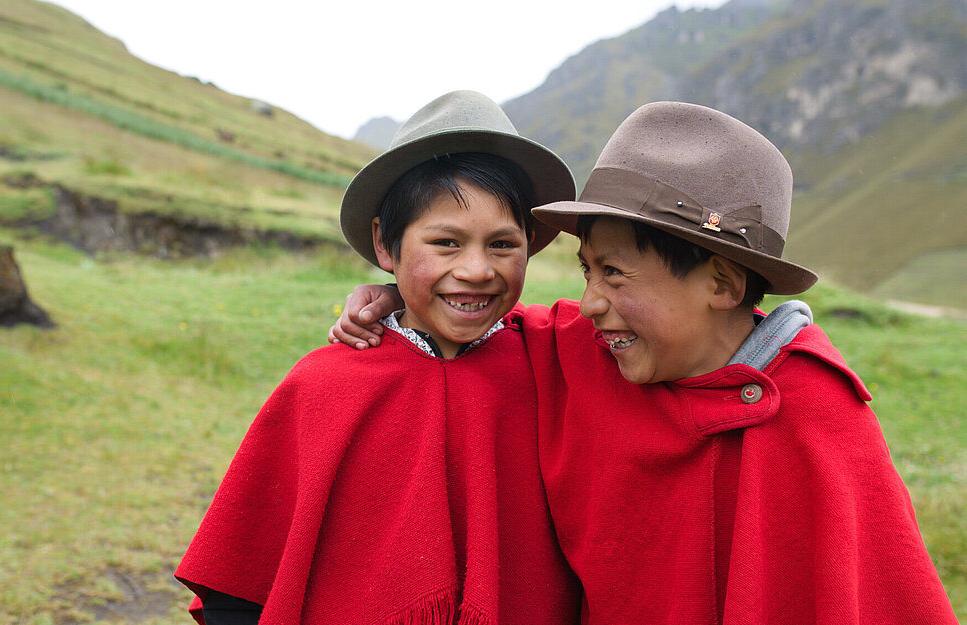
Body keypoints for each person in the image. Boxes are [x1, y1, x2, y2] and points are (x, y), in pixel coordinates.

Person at [330, 101, 959, 623]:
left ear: (720, 284)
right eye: (586, 270)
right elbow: (482, 324)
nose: (590, 303)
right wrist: (395, 298)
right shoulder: (587, 353)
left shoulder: (821, 421)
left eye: (615, 274)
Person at [175, 90, 581, 625]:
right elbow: (243, 581)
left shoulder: (550, 366)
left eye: (503, 245)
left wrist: (404, 290)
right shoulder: (324, 383)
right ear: (385, 245)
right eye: (446, 242)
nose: (479, 270)